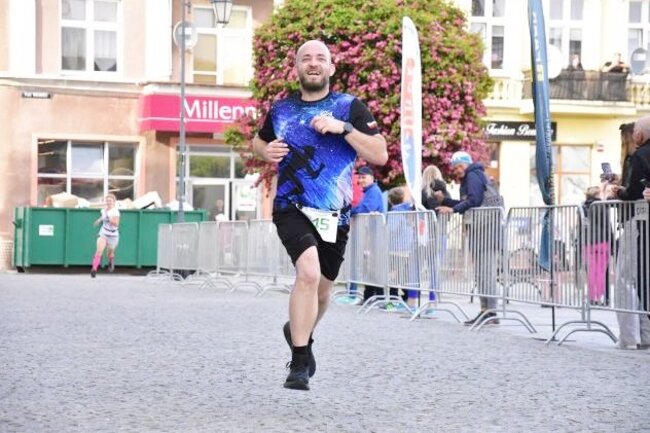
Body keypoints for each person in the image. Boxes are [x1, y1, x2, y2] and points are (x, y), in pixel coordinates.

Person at [252, 39, 388, 390]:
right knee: (308, 273)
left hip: (334, 214)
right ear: (296, 67)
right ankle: (299, 362)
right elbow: (259, 140)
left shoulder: (349, 107)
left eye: (320, 58)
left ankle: (298, 332)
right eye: (306, 58)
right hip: (291, 206)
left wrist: (344, 129)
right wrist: (266, 150)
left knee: (323, 291)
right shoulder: (281, 109)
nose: (313, 63)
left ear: (331, 67)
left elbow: (380, 154)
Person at [436, 151, 500, 326]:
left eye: (459, 166)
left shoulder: (473, 175)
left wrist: (453, 209)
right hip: (484, 229)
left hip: (486, 230)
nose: (457, 170)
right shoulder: (473, 175)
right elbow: (468, 202)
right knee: (482, 272)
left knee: (485, 272)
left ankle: (490, 312)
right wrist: (446, 201)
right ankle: (486, 311)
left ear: (466, 163)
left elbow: (474, 201)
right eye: (455, 167)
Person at [610, 116, 650, 349]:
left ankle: (628, 337)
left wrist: (619, 192)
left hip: (635, 221)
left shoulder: (637, 155)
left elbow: (634, 191)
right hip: (643, 223)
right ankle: (645, 335)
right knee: (643, 278)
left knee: (625, 278)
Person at [350, 165, 385, 304]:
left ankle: (377, 297)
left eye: (363, 177)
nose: (361, 180)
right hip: (372, 234)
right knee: (370, 266)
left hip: (375, 235)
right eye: (359, 177)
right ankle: (370, 296)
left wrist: (350, 211)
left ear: (372, 178)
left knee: (374, 266)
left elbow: (365, 208)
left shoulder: (373, 192)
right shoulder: (369, 191)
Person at [90, 193, 120, 278]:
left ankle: (110, 261)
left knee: (109, 253)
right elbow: (103, 217)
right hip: (104, 233)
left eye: (110, 201)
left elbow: (116, 224)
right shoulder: (104, 210)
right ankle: (94, 269)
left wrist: (110, 219)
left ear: (114, 202)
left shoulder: (115, 212)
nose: (108, 202)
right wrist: (98, 221)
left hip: (113, 235)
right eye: (107, 201)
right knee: (99, 251)